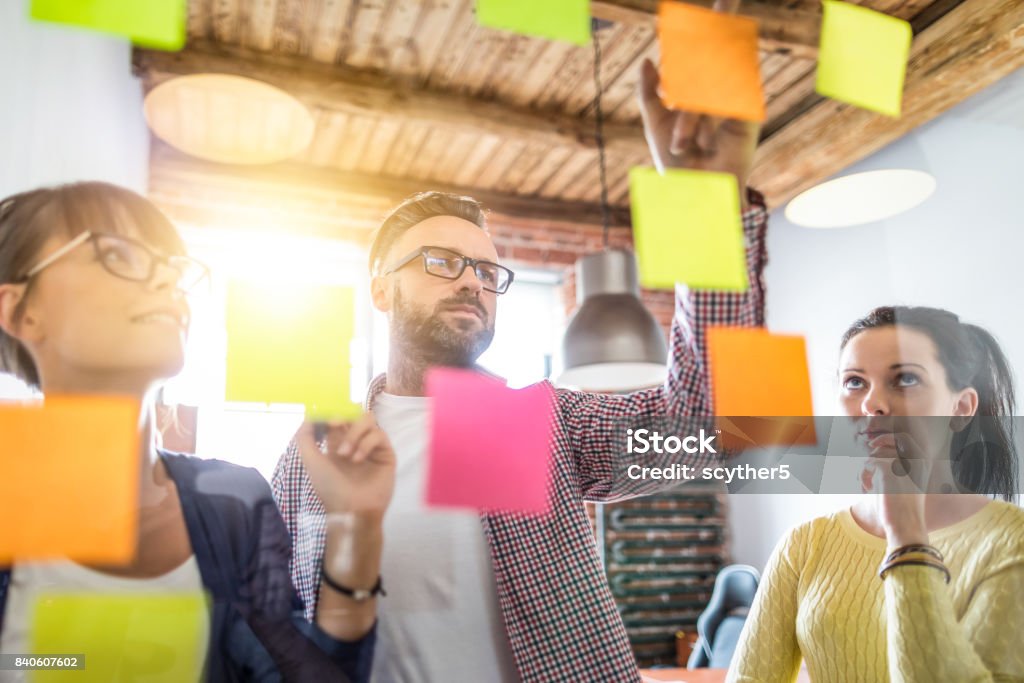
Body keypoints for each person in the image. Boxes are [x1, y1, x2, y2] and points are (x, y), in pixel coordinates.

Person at [270, 16, 766, 682]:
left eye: (487, 271)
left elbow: (710, 423)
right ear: (382, 289)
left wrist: (709, 210)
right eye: (444, 260)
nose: (474, 281)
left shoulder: (529, 424)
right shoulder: (316, 454)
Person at [0, 182, 395, 682]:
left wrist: (357, 527)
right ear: (19, 311)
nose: (167, 280)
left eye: (172, 266)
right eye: (116, 253)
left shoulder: (235, 505)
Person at [727, 306, 1024, 682]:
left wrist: (906, 535)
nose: (871, 404)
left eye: (904, 379)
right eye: (854, 382)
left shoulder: (1012, 542)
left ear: (961, 407)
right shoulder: (804, 545)